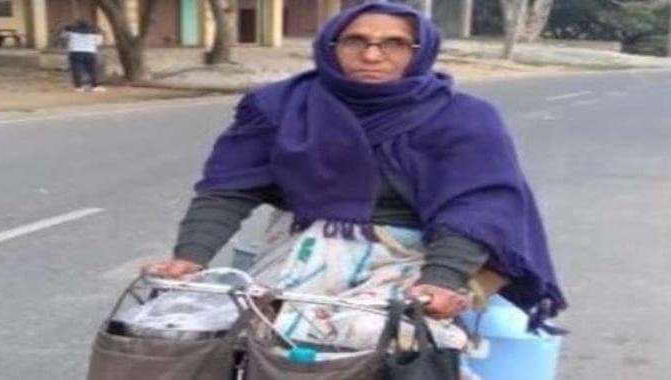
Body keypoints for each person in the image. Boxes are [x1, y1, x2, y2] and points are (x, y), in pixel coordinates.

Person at [144, 2, 566, 337]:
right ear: (331, 46)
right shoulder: (279, 106)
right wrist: (189, 257)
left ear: (421, 51)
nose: (371, 54)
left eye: (395, 44)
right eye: (355, 41)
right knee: (252, 336)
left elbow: (478, 208)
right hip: (299, 248)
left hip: (416, 256)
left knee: (387, 341)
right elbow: (229, 188)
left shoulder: (464, 118)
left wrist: (441, 279)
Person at [61, 20, 105, 92]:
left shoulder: (71, 32)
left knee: (77, 70)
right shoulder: (94, 33)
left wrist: (66, 28)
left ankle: (78, 87)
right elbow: (99, 43)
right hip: (90, 52)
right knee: (92, 70)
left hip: (75, 52)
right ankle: (95, 86)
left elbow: (63, 37)